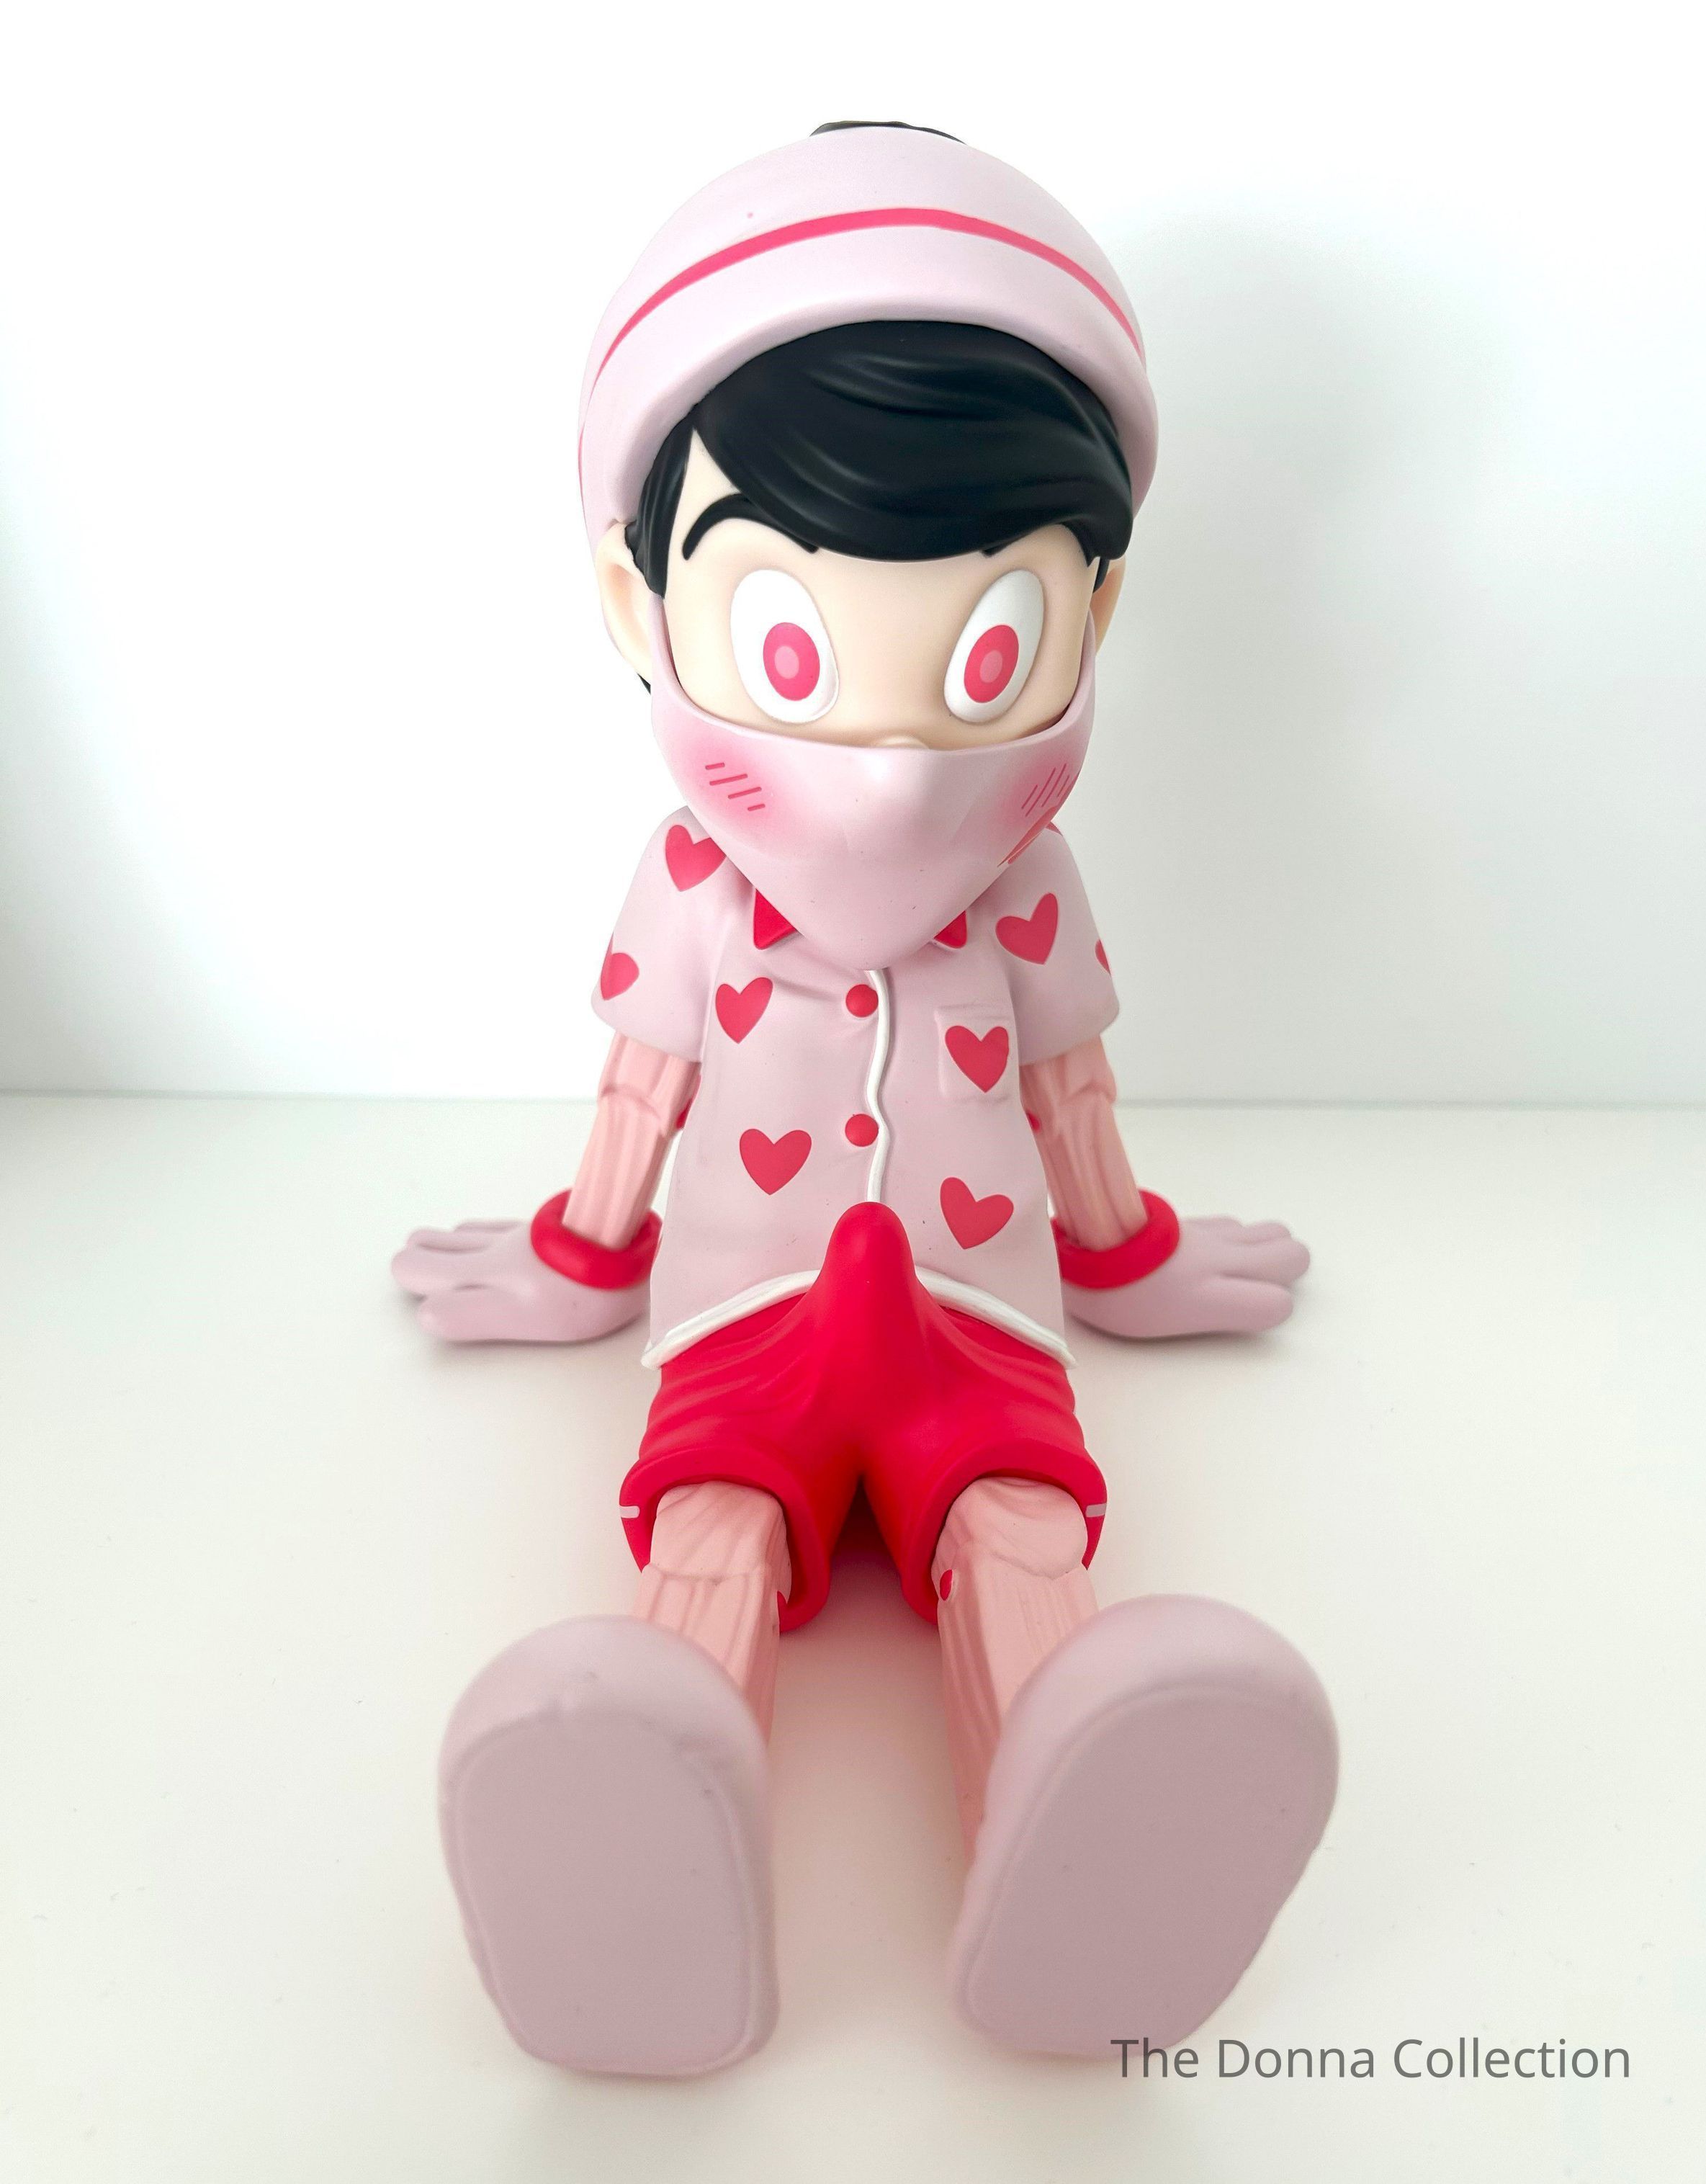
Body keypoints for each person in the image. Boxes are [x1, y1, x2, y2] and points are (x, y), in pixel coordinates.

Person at [395, 122, 1337, 2077]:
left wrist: (1130, 1257)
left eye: (991, 647)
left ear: (1096, 609)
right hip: (740, 1316)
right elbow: (646, 1080)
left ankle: (1089, 1841)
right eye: (794, 642)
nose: (898, 767)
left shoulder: (1029, 885)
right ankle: (633, 1845)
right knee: (710, 1532)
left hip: (982, 1322)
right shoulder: (692, 882)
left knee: (1021, 1532)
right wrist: (580, 1254)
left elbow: (1069, 1083)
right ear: (637, 599)